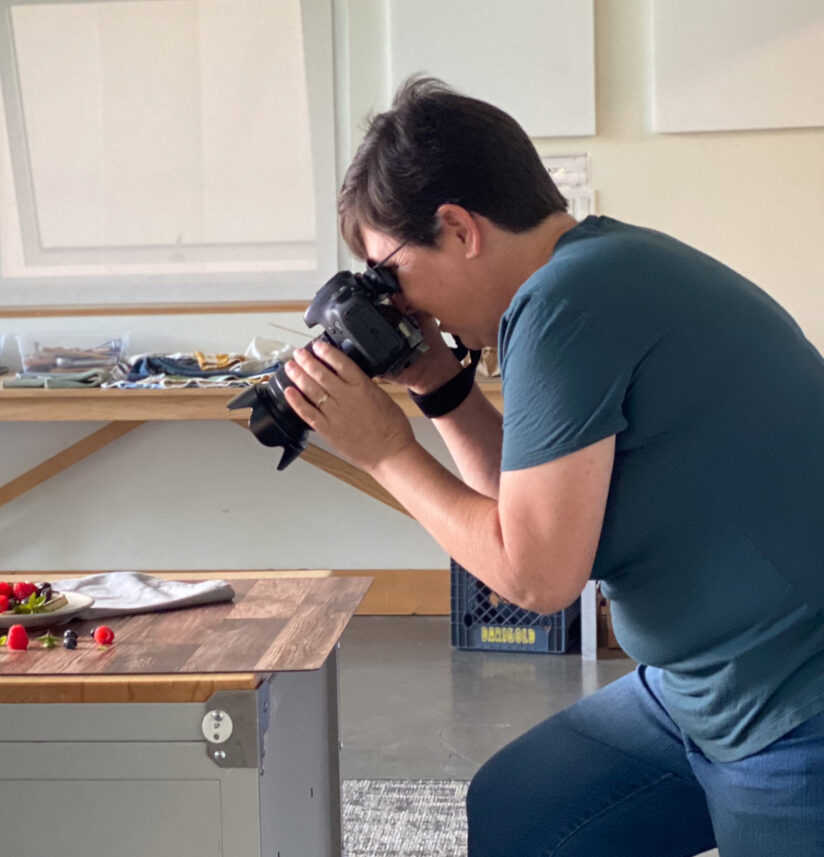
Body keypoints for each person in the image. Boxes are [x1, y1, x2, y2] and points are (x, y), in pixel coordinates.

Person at [285, 77, 824, 856]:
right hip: (700, 685)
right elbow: (529, 503)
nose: (397, 304)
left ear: (459, 228)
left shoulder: (566, 304)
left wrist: (385, 452)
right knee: (523, 811)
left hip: (791, 696)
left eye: (387, 271)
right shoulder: (595, 267)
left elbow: (536, 577)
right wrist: (438, 383)